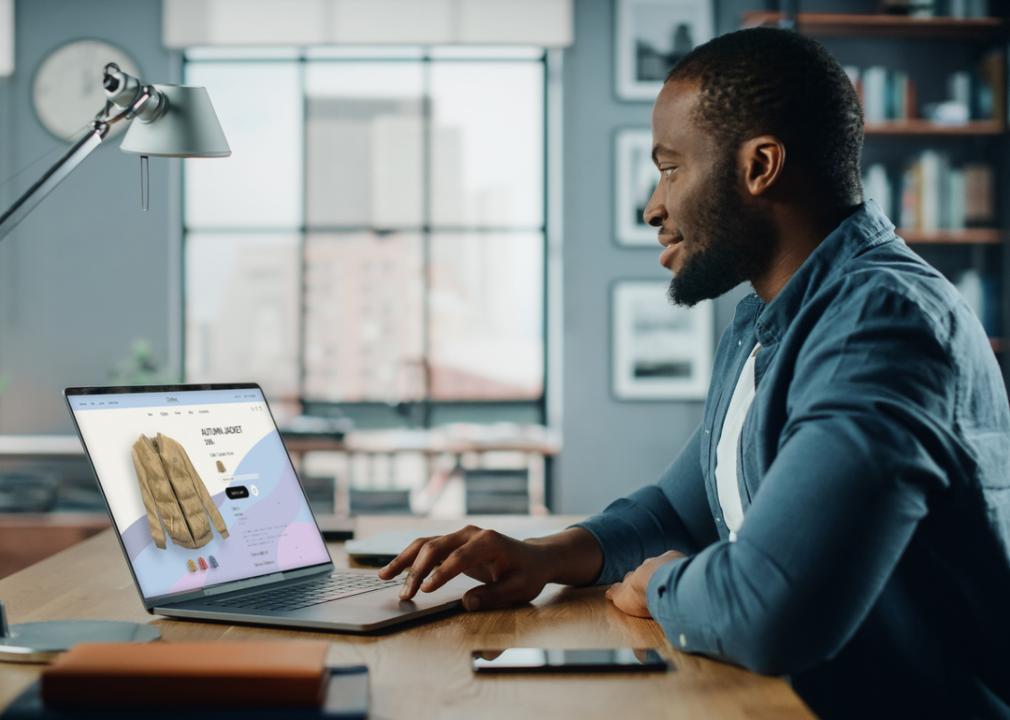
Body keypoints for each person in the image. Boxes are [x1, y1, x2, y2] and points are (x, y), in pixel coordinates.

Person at [378, 27, 1010, 718]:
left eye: (671, 168)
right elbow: (681, 508)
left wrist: (663, 587)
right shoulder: (768, 318)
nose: (654, 206)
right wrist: (544, 557)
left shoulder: (880, 326)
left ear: (759, 166)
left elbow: (769, 614)